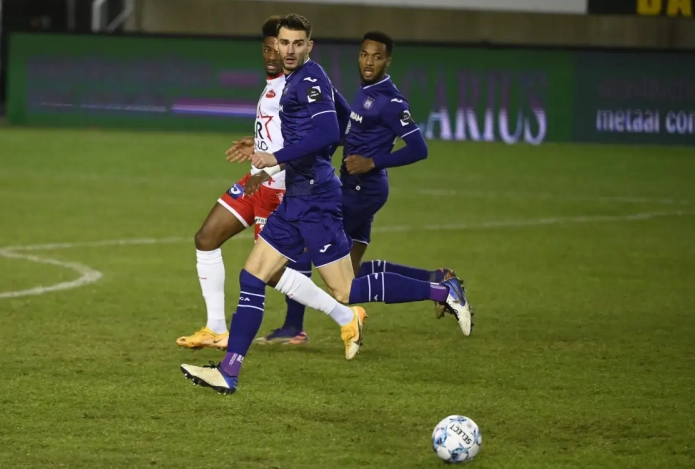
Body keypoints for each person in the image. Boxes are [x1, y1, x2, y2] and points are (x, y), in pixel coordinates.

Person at [181, 14, 472, 395]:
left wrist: (277, 157)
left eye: (297, 44)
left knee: (346, 291)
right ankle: (228, 372)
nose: (289, 50)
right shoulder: (297, 80)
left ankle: (442, 291)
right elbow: (337, 122)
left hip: (316, 199)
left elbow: (328, 131)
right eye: (284, 43)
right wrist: (267, 150)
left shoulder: (311, 79)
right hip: (299, 195)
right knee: (252, 277)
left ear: (308, 47)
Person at [254, 31, 466, 345]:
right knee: (351, 272)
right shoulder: (365, 92)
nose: (369, 62)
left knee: (302, 247)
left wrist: (373, 162)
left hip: (360, 191)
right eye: (364, 54)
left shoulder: (390, 100)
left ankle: (293, 327)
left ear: (388, 60)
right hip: (355, 188)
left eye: (377, 56)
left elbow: (419, 148)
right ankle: (437, 280)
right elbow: (342, 133)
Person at [175, 16, 298, 350]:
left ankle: (346, 315)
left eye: (279, 47)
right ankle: (216, 328)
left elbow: (312, 143)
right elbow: (279, 136)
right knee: (206, 237)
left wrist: (268, 169)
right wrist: (256, 145)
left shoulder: (295, 89)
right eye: (267, 47)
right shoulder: (273, 85)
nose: (272, 54)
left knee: (269, 273)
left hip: (279, 188)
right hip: (257, 179)